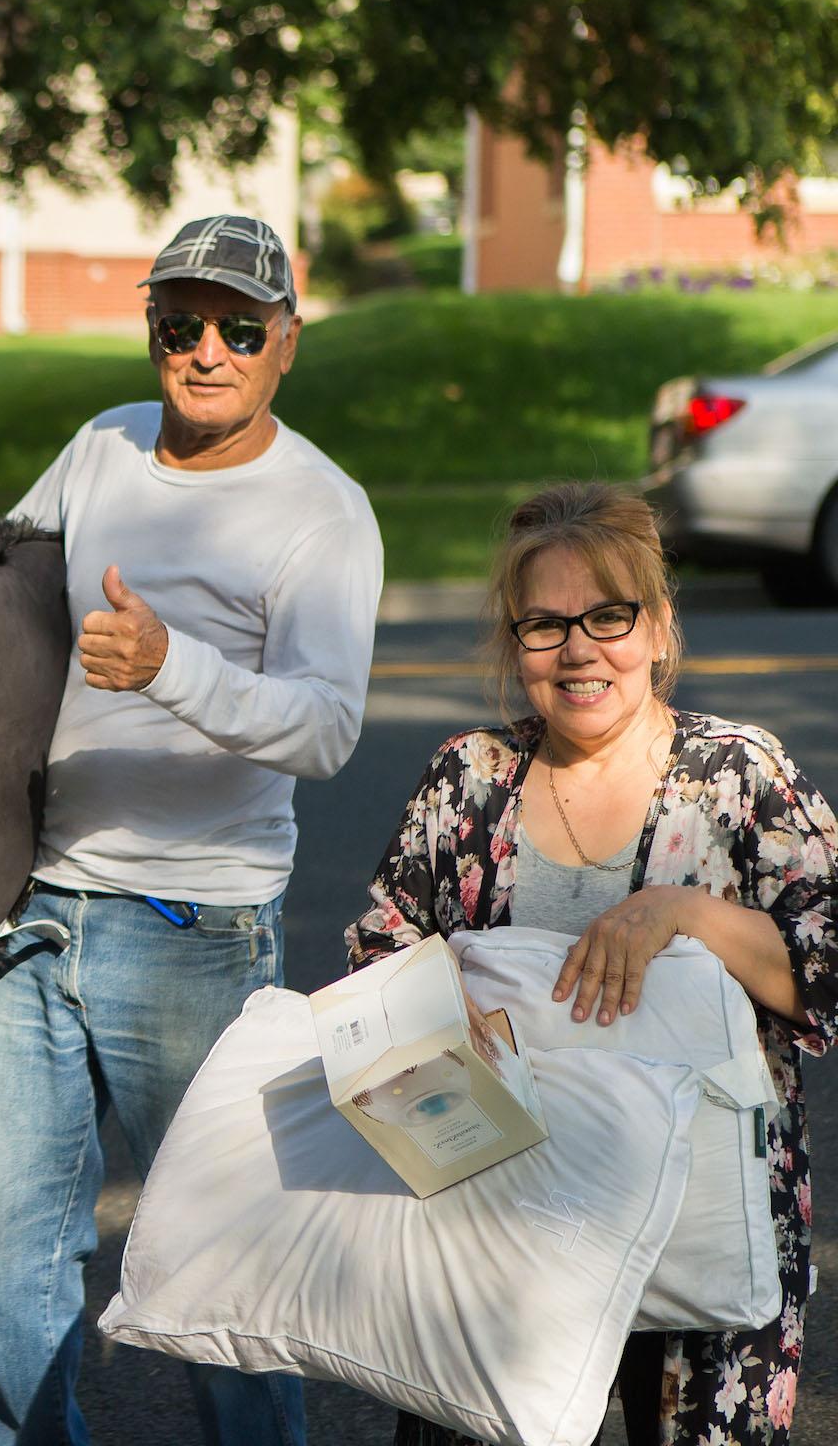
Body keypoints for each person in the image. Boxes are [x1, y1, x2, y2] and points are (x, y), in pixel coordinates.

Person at [0, 213, 381, 1446]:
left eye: (240, 328)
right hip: (40, 909)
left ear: (286, 343)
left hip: (194, 930)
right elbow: (6, 593)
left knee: (216, 1272)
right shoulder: (99, 446)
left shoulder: (321, 509)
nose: (207, 351)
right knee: (3, 1253)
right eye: (179, 323)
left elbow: (327, 730)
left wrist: (168, 666)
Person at [348, 482, 838, 1446]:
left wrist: (685, 912)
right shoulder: (468, 779)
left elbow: (829, 964)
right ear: (514, 643)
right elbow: (375, 957)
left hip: (704, 1233)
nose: (578, 650)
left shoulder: (741, 777)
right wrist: (438, 1011)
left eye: (608, 616)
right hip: (503, 1230)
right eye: (543, 625)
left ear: (657, 627)